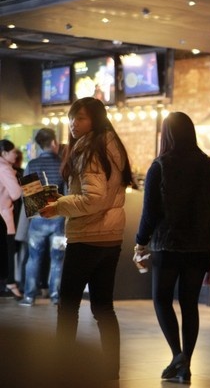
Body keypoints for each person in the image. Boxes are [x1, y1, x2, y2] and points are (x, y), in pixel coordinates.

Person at [39, 97, 134, 380]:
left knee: (68, 305)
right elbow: (98, 195)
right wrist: (62, 201)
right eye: (71, 118)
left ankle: (62, 366)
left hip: (88, 236)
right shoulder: (111, 144)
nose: (73, 123)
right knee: (103, 307)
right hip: (110, 237)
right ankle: (111, 369)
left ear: (96, 119)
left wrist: (59, 206)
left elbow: (94, 199)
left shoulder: (91, 148)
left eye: (80, 118)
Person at [134, 111, 210, 384]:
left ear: (166, 134)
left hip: (168, 245)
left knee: (161, 299)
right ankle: (185, 363)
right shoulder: (208, 164)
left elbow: (150, 213)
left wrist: (140, 242)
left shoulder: (160, 166)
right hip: (200, 245)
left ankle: (177, 356)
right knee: (189, 303)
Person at [20, 128, 66, 306]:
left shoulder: (32, 164)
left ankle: (29, 296)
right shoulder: (63, 164)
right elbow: (69, 194)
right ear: (54, 142)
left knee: (33, 258)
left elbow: (29, 197)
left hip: (38, 219)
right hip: (59, 219)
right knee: (57, 259)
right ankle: (55, 296)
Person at [0, 139, 23, 300]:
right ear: (4, 153)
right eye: (13, 151)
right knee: (8, 251)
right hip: (4, 217)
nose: (15, 154)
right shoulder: (5, 168)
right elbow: (16, 193)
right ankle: (10, 283)